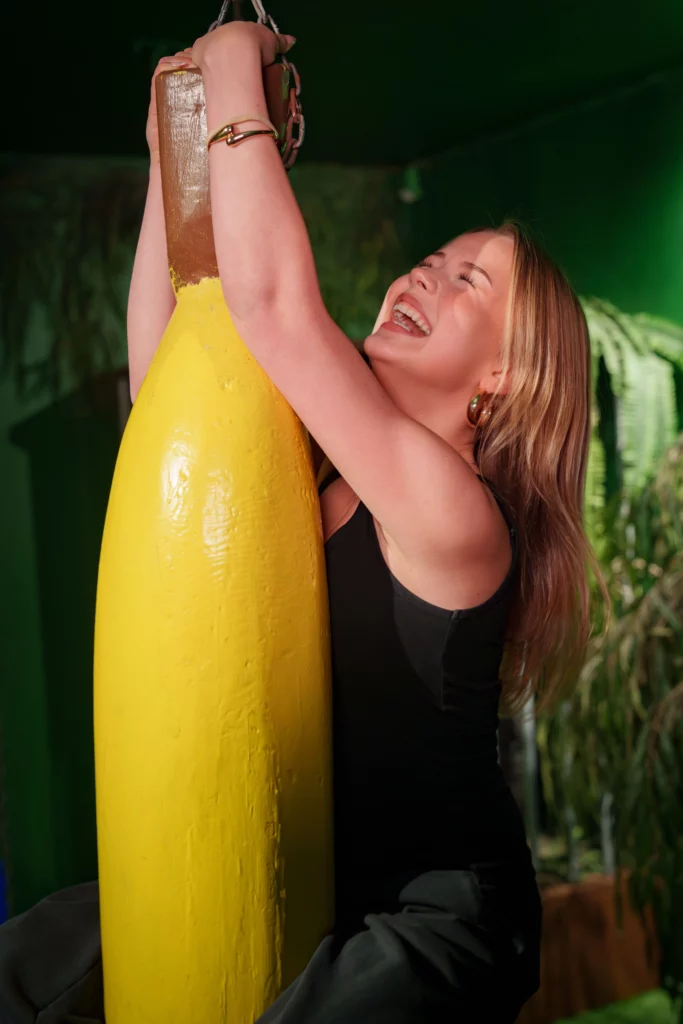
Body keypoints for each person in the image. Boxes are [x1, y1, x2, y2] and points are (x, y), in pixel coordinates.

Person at [0, 21, 603, 1024]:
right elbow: (165, 385)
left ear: (503, 378)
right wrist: (171, 156)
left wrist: (236, 79)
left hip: (425, 916)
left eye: (468, 282)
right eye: (432, 257)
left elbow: (276, 305)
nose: (422, 274)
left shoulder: (457, 518)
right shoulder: (318, 457)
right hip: (300, 872)